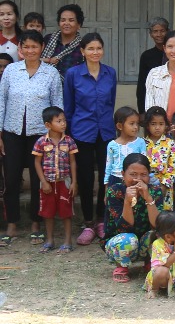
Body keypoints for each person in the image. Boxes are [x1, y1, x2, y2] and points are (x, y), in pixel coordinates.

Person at [0, 29, 63, 245]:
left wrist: (56, 136)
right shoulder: (10, 71)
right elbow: (1, 102)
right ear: (20, 49)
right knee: (11, 178)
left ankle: (36, 222)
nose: (30, 50)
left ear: (41, 48)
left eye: (34, 46)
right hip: (12, 132)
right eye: (25, 46)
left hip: (40, 136)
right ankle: (12, 224)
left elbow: (57, 106)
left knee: (39, 180)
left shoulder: (51, 73)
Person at [63, 32, 117, 245]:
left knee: (106, 177)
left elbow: (110, 103)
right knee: (85, 179)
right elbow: (68, 106)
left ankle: (101, 220)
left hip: (105, 132)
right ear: (83, 51)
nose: (95, 52)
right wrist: (68, 135)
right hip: (81, 132)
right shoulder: (73, 74)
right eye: (91, 49)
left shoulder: (110, 73)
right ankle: (87, 223)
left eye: (99, 48)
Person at [104, 154, 164, 283]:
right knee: (128, 238)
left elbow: (157, 225)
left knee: (157, 235)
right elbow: (124, 227)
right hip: (120, 240)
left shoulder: (155, 191)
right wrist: (127, 201)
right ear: (123, 174)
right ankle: (121, 266)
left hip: (144, 239)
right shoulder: (115, 191)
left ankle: (150, 262)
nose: (138, 179)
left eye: (143, 174)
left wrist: (148, 198)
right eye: (133, 174)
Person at [33, 106, 77, 254]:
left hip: (64, 182)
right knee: (48, 212)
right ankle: (50, 240)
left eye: (64, 120)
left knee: (66, 212)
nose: (63, 123)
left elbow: (73, 162)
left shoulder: (69, 141)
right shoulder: (41, 142)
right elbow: (37, 163)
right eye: (59, 121)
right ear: (48, 125)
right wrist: (43, 182)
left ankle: (67, 241)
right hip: (48, 183)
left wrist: (74, 182)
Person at [145, 210, 175, 298]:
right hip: (161, 277)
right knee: (161, 271)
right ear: (168, 236)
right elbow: (166, 264)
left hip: (174, 275)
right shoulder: (158, 244)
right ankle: (154, 290)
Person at [142, 106, 175, 207]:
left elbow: (174, 167)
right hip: (145, 185)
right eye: (153, 124)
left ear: (166, 125)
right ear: (147, 125)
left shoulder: (171, 144)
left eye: (161, 124)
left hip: (164, 187)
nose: (157, 127)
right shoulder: (141, 143)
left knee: (163, 217)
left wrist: (164, 184)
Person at [104, 106, 146, 187]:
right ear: (119, 126)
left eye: (137, 123)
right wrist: (106, 187)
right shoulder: (112, 145)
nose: (136, 127)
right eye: (132, 123)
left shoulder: (140, 142)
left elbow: (143, 163)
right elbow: (108, 167)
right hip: (115, 179)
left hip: (135, 180)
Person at [41, 4, 85, 77]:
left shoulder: (83, 46)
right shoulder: (48, 40)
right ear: (59, 23)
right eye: (63, 20)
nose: (66, 23)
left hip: (71, 87)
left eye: (71, 20)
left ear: (79, 25)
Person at [135, 17, 169, 113]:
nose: (159, 34)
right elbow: (142, 85)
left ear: (168, 31)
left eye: (162, 31)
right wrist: (142, 111)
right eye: (155, 31)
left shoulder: (174, 53)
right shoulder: (147, 56)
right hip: (152, 104)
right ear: (151, 34)